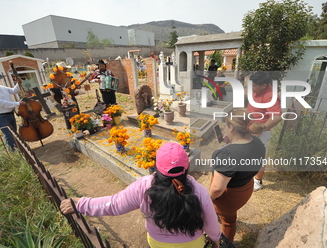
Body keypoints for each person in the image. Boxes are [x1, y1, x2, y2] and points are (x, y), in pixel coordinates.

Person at [60, 142, 221, 247]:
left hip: (158, 244)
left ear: (156, 166)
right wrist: (216, 240)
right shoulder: (199, 190)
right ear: (186, 167)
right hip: (193, 244)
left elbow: (113, 205)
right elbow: (211, 223)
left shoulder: (144, 187)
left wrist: (81, 203)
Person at [209, 109, 266, 242]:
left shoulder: (226, 155)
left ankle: (226, 244)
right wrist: (231, 143)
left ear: (231, 128)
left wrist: (207, 198)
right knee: (229, 215)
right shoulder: (258, 143)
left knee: (228, 221)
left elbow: (217, 188)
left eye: (226, 126)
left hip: (229, 197)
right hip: (246, 188)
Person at [246, 71, 282, 191]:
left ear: (264, 85)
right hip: (251, 128)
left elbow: (276, 117)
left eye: (254, 85)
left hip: (260, 132)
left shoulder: (270, 96)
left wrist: (263, 128)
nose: (251, 88)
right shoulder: (258, 91)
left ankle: (258, 181)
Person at [0, 78, 26, 150]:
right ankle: (12, 151)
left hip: (10, 114)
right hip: (1, 116)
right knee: (8, 134)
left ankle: (17, 148)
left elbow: (15, 91)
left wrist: (18, 83)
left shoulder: (2, 87)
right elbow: (2, 103)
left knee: (14, 132)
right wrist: (17, 103)